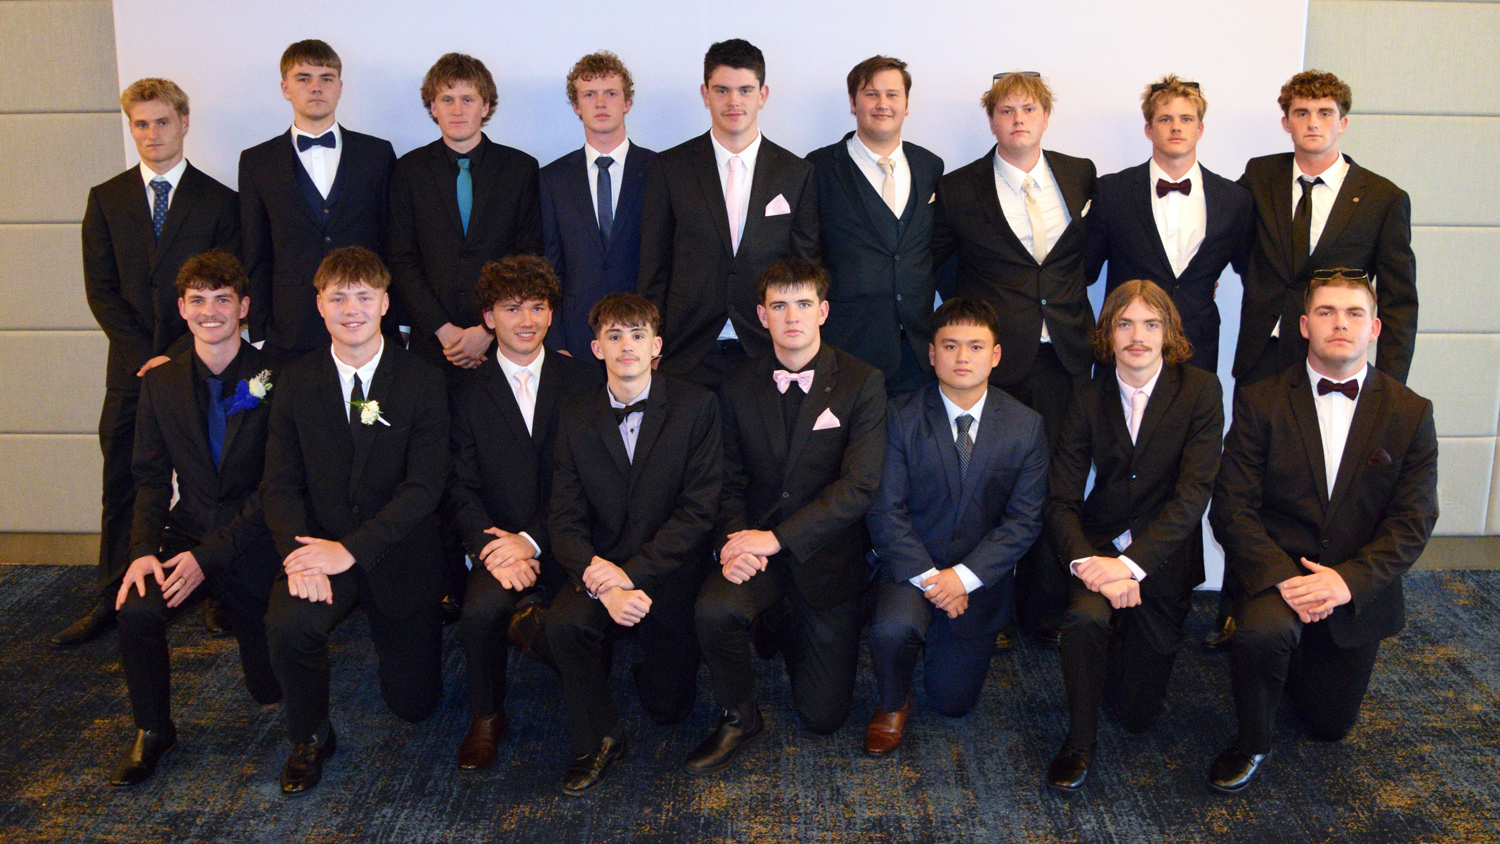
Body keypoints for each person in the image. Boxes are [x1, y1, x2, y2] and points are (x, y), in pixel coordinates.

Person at [1207, 69, 1419, 651]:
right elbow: (1241, 250)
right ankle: (1240, 610)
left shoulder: (1382, 197)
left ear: (1343, 122)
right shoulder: (1260, 176)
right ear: (1286, 122)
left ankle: (1333, 601)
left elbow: (1399, 299)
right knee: (1248, 485)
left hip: (1336, 361)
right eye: (1301, 113)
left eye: (1325, 113)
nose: (1313, 123)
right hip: (1266, 353)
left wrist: (1385, 389)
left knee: (1328, 485)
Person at [1207, 269, 1437, 793]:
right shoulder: (1261, 400)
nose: (1340, 323)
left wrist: (1345, 582)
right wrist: (1285, 579)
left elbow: (1413, 522)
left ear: (1374, 328)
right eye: (1326, 312)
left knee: (1329, 727)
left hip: (1354, 585)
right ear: (1304, 325)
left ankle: (1300, 662)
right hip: (1279, 574)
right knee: (1263, 634)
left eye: (1354, 313)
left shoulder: (1410, 412)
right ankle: (1252, 741)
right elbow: (1232, 506)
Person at [260, 247, 450, 795]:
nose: (352, 310)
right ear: (319, 305)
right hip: (318, 548)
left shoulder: (422, 379)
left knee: (415, 705)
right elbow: (279, 484)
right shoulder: (295, 381)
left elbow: (425, 487)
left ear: (385, 304)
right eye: (338, 297)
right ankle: (310, 737)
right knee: (289, 625)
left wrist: (352, 550)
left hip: (397, 551)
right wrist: (299, 559)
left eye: (364, 297)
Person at [687, 259, 885, 774]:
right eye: (779, 306)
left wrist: (776, 538)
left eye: (802, 304)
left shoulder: (863, 382)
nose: (791, 316)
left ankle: (785, 625)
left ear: (823, 311)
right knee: (714, 611)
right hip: (756, 552)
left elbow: (859, 487)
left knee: (824, 718)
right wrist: (731, 544)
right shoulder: (736, 384)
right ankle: (740, 716)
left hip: (825, 559)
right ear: (762, 316)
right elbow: (726, 480)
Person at [64, 78, 240, 649]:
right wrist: (149, 359)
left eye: (162, 122)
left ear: (184, 123)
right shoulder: (106, 198)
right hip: (132, 370)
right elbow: (101, 290)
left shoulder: (220, 201)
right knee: (122, 479)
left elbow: (229, 289)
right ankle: (114, 591)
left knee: (217, 478)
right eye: (140, 124)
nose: (151, 133)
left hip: (204, 367)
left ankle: (218, 588)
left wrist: (177, 356)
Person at [931, 71, 1098, 640]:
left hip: (1066, 356)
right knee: (988, 487)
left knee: (1055, 487)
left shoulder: (1079, 174)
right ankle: (991, 612)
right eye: (1006, 110)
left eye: (1029, 109)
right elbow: (938, 262)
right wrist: (981, 314)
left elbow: (1086, 256)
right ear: (992, 120)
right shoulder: (959, 188)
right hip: (996, 361)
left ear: (1046, 116)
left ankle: (1045, 611)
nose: (1018, 119)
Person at [1043, 280, 1224, 792]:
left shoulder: (1201, 391)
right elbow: (1060, 500)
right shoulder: (1086, 395)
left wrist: (1130, 567)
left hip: (1162, 556)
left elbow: (1192, 496)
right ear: (1108, 333)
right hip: (1099, 548)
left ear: (1169, 333)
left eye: (1150, 324)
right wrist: (1086, 563)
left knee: (1137, 714)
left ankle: (1123, 647)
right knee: (1083, 620)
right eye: (1124, 324)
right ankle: (1079, 740)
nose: (1137, 336)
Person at [109, 251, 282, 786]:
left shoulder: (279, 379)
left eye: (222, 300)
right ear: (182, 309)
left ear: (244, 308)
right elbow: (151, 480)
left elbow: (277, 489)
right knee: (137, 608)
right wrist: (143, 553)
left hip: (257, 537)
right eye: (198, 300)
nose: (211, 312)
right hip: (188, 529)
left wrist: (208, 558)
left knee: (269, 688)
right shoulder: (159, 383)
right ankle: (153, 729)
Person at [545, 293, 722, 795]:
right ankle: (599, 737)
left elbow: (698, 512)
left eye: (638, 335)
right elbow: (563, 519)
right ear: (596, 348)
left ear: (656, 346)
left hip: (668, 570)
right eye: (615, 336)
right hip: (600, 568)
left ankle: (651, 658)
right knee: (563, 624)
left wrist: (630, 576)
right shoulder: (575, 414)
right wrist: (604, 582)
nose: (627, 346)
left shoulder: (697, 406)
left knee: (668, 709)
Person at [864, 297, 1049, 755]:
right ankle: (893, 700)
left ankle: (941, 649)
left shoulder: (1026, 426)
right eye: (950, 346)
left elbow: (1023, 521)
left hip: (977, 580)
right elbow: (886, 511)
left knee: (953, 703)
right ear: (932, 354)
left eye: (975, 346)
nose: (962, 357)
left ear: (995, 355)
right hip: (910, 569)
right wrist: (935, 581)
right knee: (892, 630)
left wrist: (962, 579)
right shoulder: (899, 416)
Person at [446, 256, 601, 770]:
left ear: (553, 313)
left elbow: (592, 478)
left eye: (537, 307)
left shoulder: (584, 380)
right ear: (488, 318)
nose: (527, 320)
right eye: (512, 309)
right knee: (479, 611)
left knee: (587, 629)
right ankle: (487, 715)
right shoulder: (464, 393)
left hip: (572, 539)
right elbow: (460, 486)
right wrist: (493, 549)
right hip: (499, 543)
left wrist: (532, 540)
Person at [638, 38, 818, 389]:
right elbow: (654, 265)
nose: (734, 101)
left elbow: (805, 267)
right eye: (722, 90)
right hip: (687, 350)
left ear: (763, 95)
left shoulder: (796, 173)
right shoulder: (670, 168)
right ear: (705, 94)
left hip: (767, 350)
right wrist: (651, 342)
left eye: (745, 90)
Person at [239, 39, 398, 358]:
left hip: (367, 323)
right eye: (303, 78)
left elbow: (394, 243)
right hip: (288, 328)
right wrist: (259, 332)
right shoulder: (257, 161)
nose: (316, 87)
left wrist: (399, 323)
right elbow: (255, 252)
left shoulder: (377, 154)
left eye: (326, 78)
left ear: (339, 87)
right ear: (285, 88)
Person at [1085, 75, 1253, 372]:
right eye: (1165, 119)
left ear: (1200, 128)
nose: (1176, 127)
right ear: (1149, 129)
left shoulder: (1234, 199)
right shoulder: (1111, 192)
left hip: (1196, 348)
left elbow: (1253, 272)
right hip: (1125, 346)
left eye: (1186, 119)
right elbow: (1083, 271)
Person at [388, 52, 543, 371]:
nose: (457, 110)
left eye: (467, 99)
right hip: (431, 345)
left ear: (485, 106)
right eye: (447, 100)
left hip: (502, 343)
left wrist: (487, 329)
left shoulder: (520, 170)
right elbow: (401, 260)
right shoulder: (408, 171)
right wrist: (443, 330)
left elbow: (529, 259)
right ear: (433, 107)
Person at [807, 55, 944, 395]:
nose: (883, 104)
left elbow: (939, 249)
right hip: (846, 350)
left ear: (906, 105)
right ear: (853, 103)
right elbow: (807, 254)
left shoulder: (930, 166)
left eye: (892, 94)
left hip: (919, 351)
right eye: (871, 94)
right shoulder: (818, 168)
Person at [539, 51, 656, 361]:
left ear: (627, 102)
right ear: (576, 106)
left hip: (643, 335)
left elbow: (670, 263)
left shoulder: (660, 171)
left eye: (611, 94)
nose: (601, 103)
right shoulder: (552, 179)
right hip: (575, 339)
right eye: (589, 94)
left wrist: (663, 341)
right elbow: (550, 268)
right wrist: (555, 341)